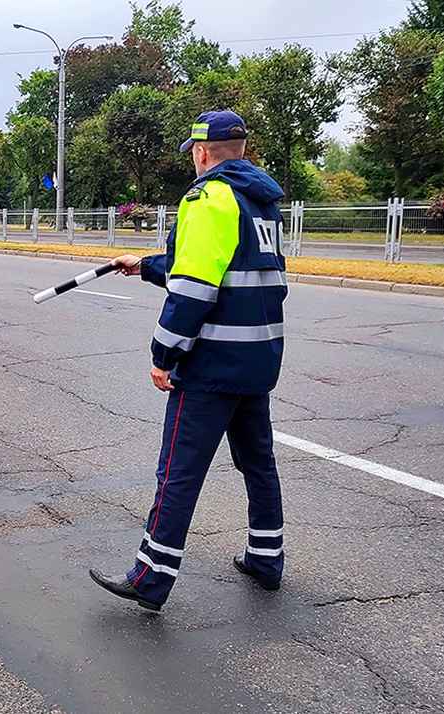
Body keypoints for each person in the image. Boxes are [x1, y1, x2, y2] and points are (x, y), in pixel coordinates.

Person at [90, 110, 289, 613]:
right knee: (258, 464)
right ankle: (267, 559)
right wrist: (145, 266)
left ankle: (150, 578)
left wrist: (164, 354)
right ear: (241, 150)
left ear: (201, 152)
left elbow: (195, 289)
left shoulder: (207, 198)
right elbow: (222, 268)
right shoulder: (261, 201)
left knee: (178, 472)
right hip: (257, 358)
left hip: (210, 364)